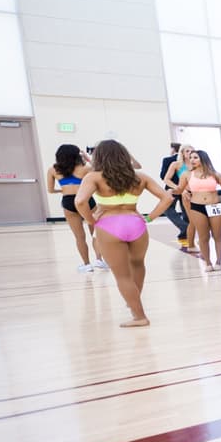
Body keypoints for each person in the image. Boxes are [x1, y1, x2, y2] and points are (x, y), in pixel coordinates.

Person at [74, 140, 173, 327]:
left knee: (122, 275)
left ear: (99, 157)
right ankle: (132, 300)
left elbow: (80, 202)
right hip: (136, 224)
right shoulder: (139, 177)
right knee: (137, 265)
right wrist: (150, 218)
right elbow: (167, 198)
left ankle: (139, 316)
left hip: (109, 226)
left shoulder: (94, 177)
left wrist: (92, 220)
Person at [47, 143, 104, 272]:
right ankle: (99, 260)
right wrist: (86, 156)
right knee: (95, 233)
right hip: (86, 200)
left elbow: (50, 190)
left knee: (79, 237)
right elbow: (99, 169)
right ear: (77, 155)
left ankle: (86, 264)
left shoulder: (52, 170)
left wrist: (61, 191)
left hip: (68, 201)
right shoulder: (85, 168)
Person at [175, 149, 221, 272]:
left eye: (195, 158)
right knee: (203, 236)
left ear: (203, 159)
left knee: (217, 236)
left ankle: (218, 262)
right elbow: (179, 189)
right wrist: (173, 191)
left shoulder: (214, 174)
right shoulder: (187, 174)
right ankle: (208, 263)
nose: (192, 160)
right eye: (191, 158)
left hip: (215, 206)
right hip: (197, 206)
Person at [162, 144, 197, 252]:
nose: (190, 153)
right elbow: (166, 179)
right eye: (187, 151)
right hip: (175, 189)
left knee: (189, 214)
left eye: (192, 151)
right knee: (167, 209)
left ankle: (187, 235)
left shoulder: (195, 164)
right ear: (182, 153)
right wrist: (178, 188)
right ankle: (185, 228)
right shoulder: (176, 164)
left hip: (191, 192)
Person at [157, 142, 190, 242]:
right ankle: (186, 228)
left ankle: (185, 229)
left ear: (173, 149)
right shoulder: (176, 163)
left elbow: (163, 176)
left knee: (169, 208)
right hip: (178, 188)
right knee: (185, 210)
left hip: (176, 188)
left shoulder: (167, 160)